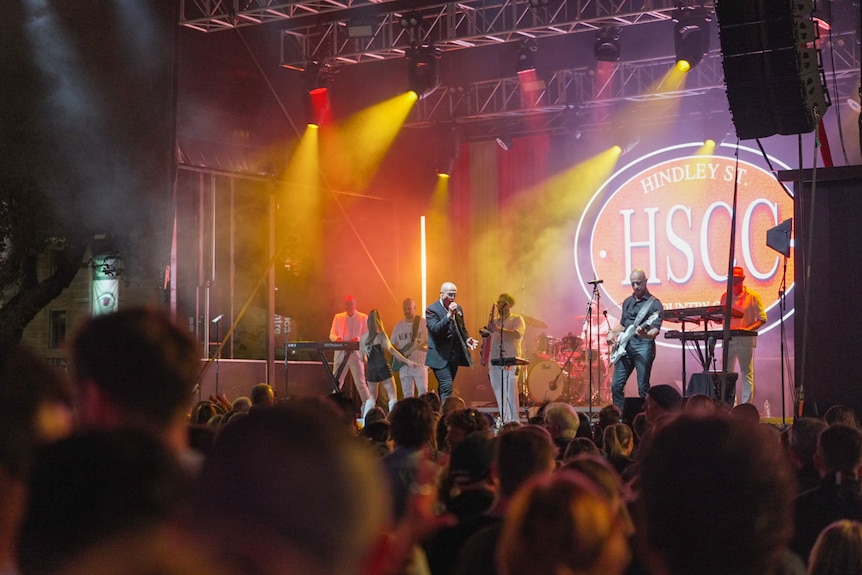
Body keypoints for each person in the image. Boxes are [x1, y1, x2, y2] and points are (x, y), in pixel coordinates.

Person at [607, 269, 664, 413]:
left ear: (646, 281)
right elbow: (622, 325)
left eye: (638, 283)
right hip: (625, 348)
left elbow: (655, 330)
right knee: (616, 386)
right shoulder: (627, 302)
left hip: (643, 346)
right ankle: (619, 417)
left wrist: (645, 334)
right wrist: (612, 332)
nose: (635, 287)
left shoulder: (654, 304)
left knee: (643, 387)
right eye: (633, 284)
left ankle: (645, 417)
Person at [720, 266, 766, 404]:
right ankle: (730, 405)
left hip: (745, 341)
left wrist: (746, 330)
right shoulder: (725, 296)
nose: (734, 283)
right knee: (727, 374)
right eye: (732, 280)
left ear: (742, 280)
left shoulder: (753, 296)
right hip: (729, 340)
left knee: (746, 373)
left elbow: (762, 318)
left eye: (736, 280)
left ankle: (746, 405)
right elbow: (722, 318)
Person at [426, 282, 479, 401]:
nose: (453, 298)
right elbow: (435, 329)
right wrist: (448, 315)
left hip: (453, 355)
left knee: (445, 387)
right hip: (439, 356)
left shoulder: (458, 308)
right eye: (450, 294)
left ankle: (439, 409)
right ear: (441, 294)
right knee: (447, 386)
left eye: (455, 295)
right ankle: (447, 412)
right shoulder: (432, 310)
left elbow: (461, 328)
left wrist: (467, 339)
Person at [361, 309, 417, 415]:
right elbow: (392, 350)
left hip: (371, 369)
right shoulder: (381, 335)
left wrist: (369, 362)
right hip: (383, 367)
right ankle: (393, 420)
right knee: (392, 396)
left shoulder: (363, 338)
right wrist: (407, 361)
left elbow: (362, 358)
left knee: (372, 397)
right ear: (379, 321)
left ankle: (366, 421)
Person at [486, 293, 526, 424]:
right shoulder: (496, 321)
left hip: (510, 359)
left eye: (502, 303)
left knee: (510, 390)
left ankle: (514, 422)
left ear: (509, 305)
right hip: (494, 360)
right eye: (498, 303)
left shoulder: (517, 318)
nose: (499, 305)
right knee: (498, 391)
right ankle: (505, 420)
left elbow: (517, 334)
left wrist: (498, 329)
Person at [329, 295, 371, 410]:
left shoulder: (363, 317)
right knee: (336, 382)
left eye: (351, 304)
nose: (349, 306)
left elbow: (367, 335)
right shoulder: (338, 317)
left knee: (360, 383)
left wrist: (357, 339)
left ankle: (369, 407)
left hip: (355, 355)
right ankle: (333, 408)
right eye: (347, 304)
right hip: (340, 355)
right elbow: (332, 333)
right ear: (344, 305)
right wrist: (337, 339)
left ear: (356, 304)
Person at [390, 298, 430, 398]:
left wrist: (422, 348)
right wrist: (398, 356)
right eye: (405, 309)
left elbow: (432, 345)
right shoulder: (398, 326)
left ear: (414, 308)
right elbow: (391, 346)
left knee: (423, 394)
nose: (407, 311)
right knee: (407, 395)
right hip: (404, 366)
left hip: (419, 364)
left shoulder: (423, 323)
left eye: (409, 308)